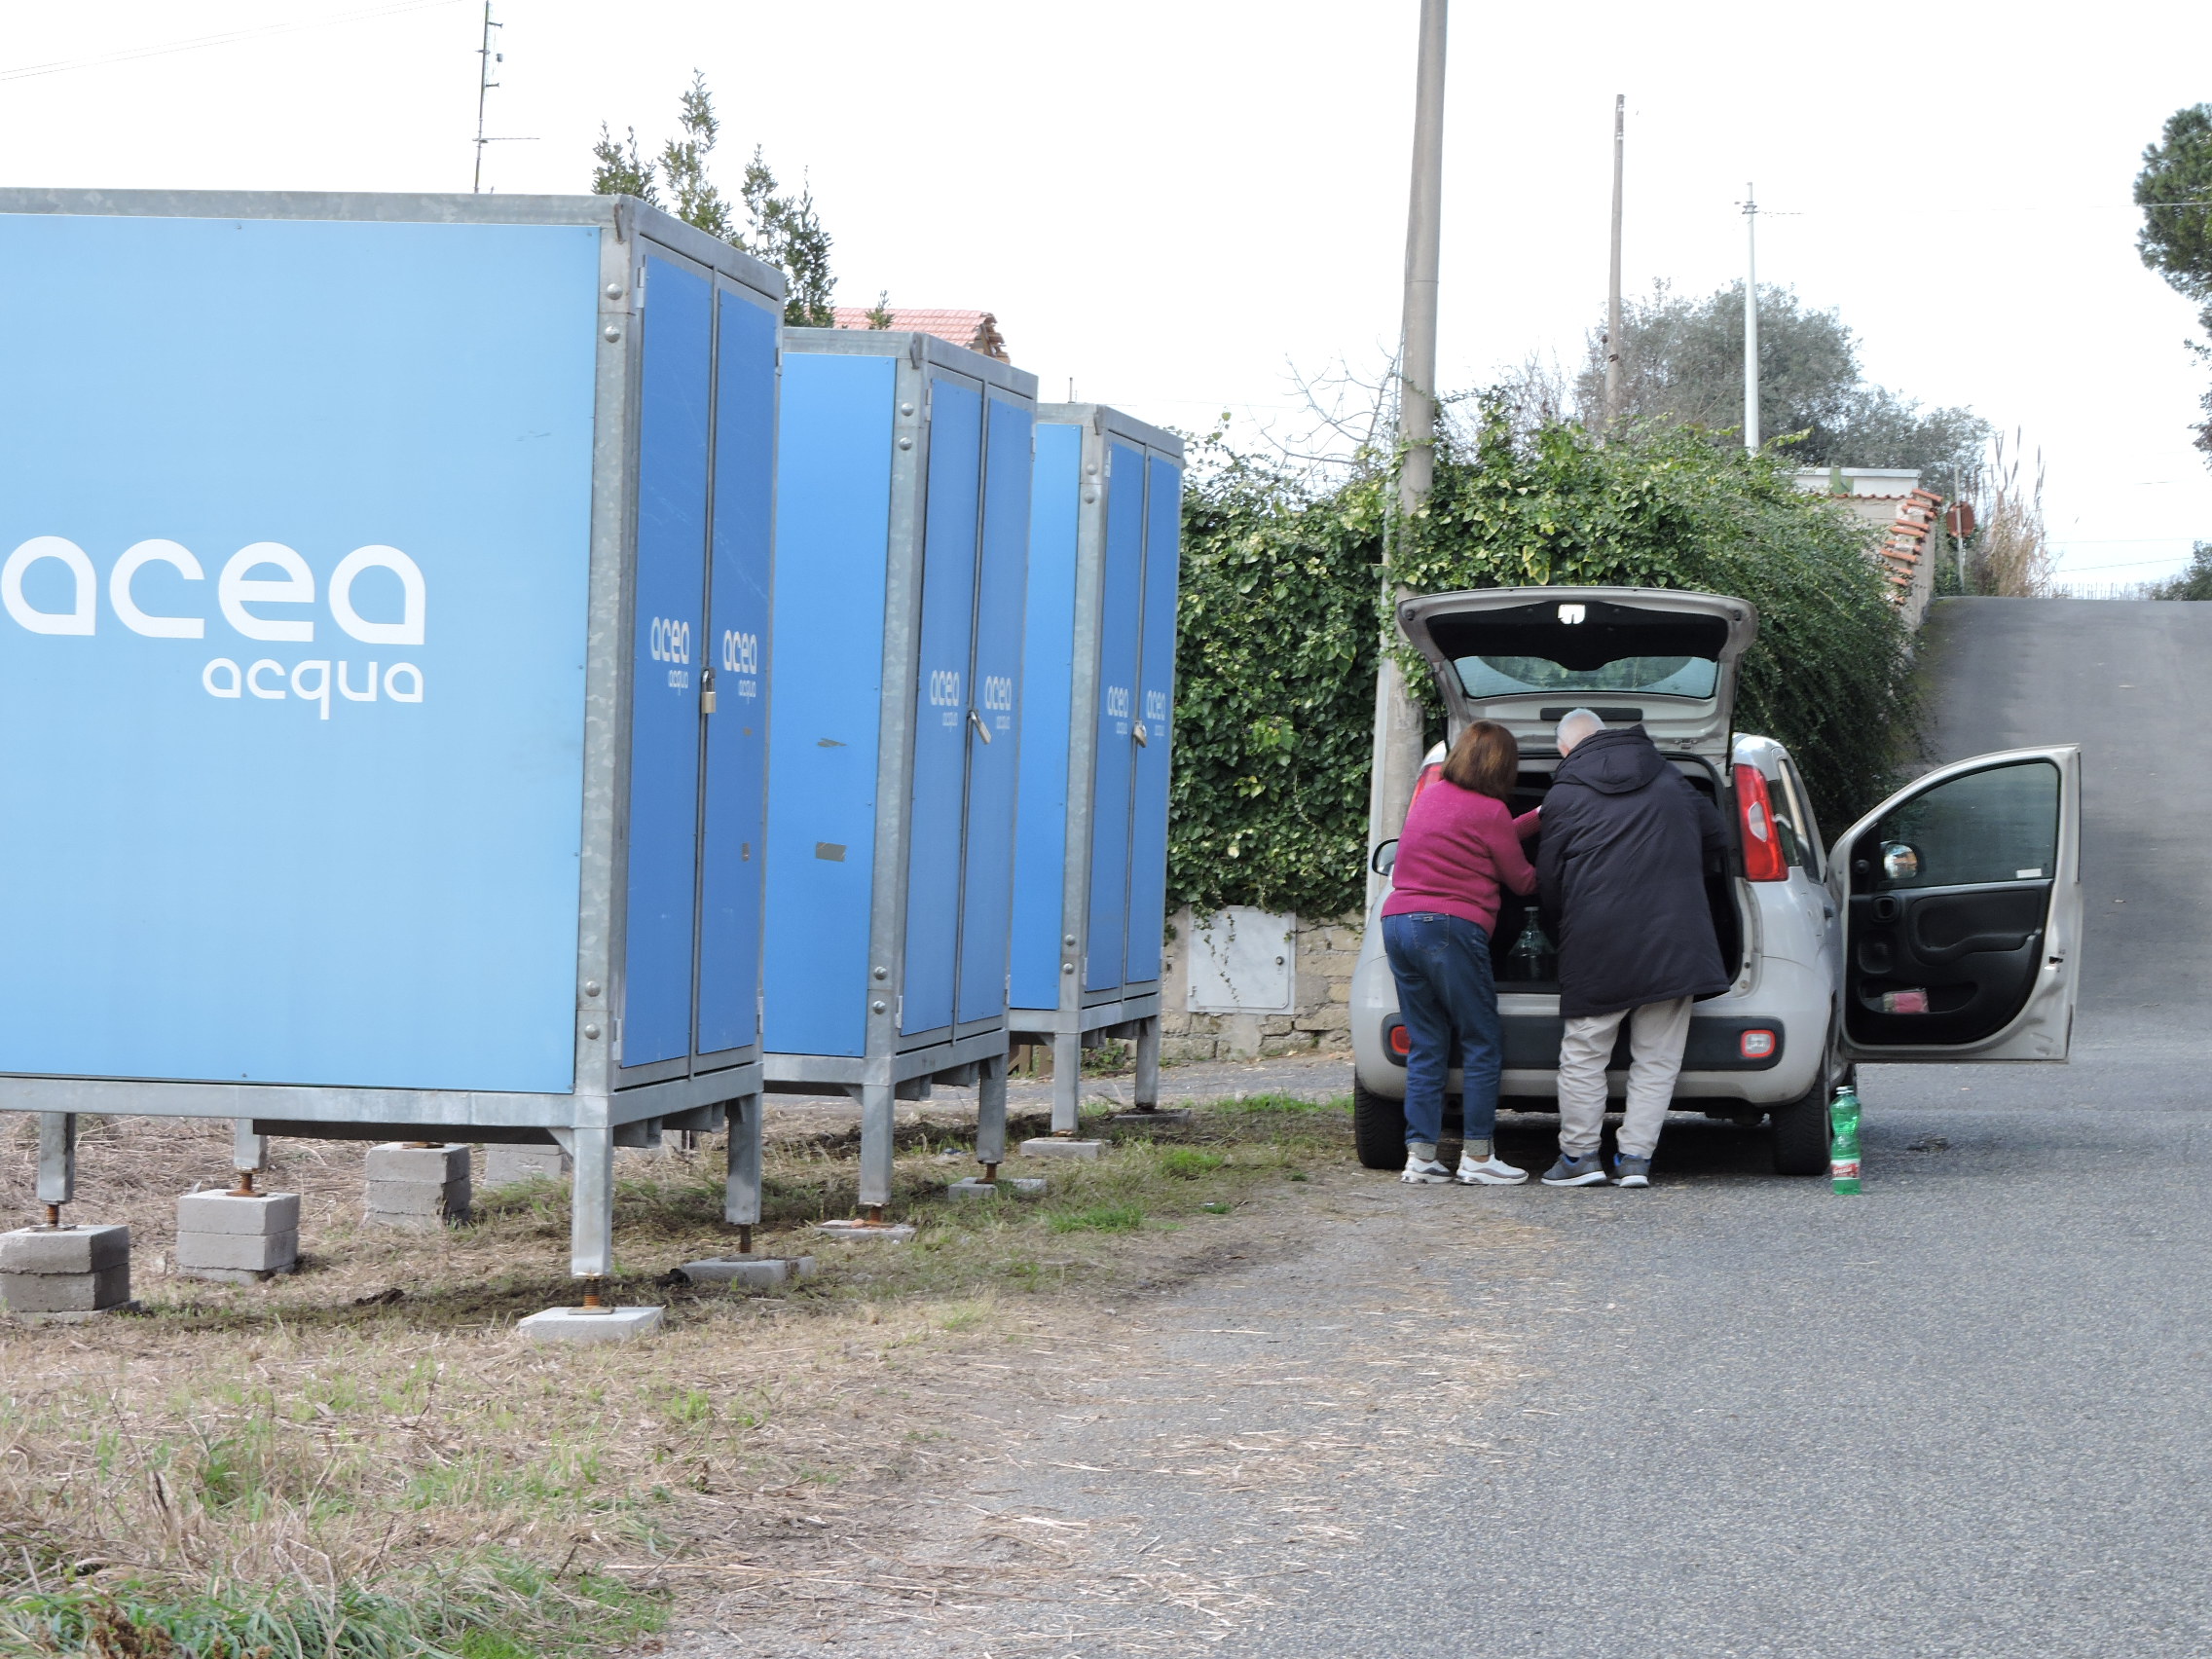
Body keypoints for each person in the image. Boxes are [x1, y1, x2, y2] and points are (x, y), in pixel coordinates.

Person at [1535, 707, 1729, 1189]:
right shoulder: (1668, 776)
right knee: (1658, 1057)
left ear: (1566, 749)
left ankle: (1580, 1158)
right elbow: (1717, 837)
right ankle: (1636, 1159)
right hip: (1674, 936)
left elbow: (1549, 881)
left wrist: (1561, 931)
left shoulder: (1564, 793)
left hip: (1597, 939)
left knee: (1585, 1053)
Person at [1381, 719, 1542, 1185]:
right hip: (1449, 928)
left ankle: (1422, 1156)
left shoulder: (1431, 799)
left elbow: (1478, 836)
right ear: (1501, 765)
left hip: (1398, 923)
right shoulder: (1489, 810)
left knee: (1428, 1042)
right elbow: (1521, 881)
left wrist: (1537, 819)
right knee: (1480, 1038)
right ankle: (1476, 1157)